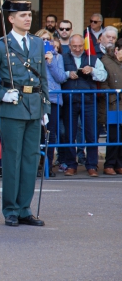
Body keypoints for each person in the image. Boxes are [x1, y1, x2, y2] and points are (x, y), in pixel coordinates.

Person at [0, 0, 50, 227]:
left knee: (31, 160)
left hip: (33, 106)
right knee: (12, 160)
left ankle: (25, 208)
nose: (28, 18)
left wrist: (45, 106)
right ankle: (10, 209)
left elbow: (43, 77)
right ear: (11, 19)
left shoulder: (37, 43)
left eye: (29, 15)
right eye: (23, 15)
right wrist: (1, 94)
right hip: (12, 107)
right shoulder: (0, 46)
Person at [60, 34, 107, 177]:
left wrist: (92, 70)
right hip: (70, 100)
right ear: (69, 46)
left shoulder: (93, 58)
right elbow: (57, 74)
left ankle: (92, 165)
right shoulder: (62, 58)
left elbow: (103, 75)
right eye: (74, 46)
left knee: (91, 134)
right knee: (69, 134)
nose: (78, 48)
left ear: (84, 45)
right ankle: (71, 165)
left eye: (80, 46)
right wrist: (68, 74)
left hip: (88, 100)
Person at [34, 30, 66, 178]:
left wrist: (51, 62)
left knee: (50, 133)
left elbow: (61, 77)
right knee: (37, 133)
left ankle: (48, 165)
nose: (45, 42)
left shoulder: (57, 57)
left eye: (48, 39)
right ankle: (37, 165)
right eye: (42, 39)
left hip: (53, 98)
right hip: (37, 98)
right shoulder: (32, 56)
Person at [100, 38, 122, 175]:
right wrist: (113, 99)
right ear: (117, 50)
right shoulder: (105, 62)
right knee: (114, 136)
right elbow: (103, 84)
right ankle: (109, 164)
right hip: (113, 105)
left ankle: (119, 164)